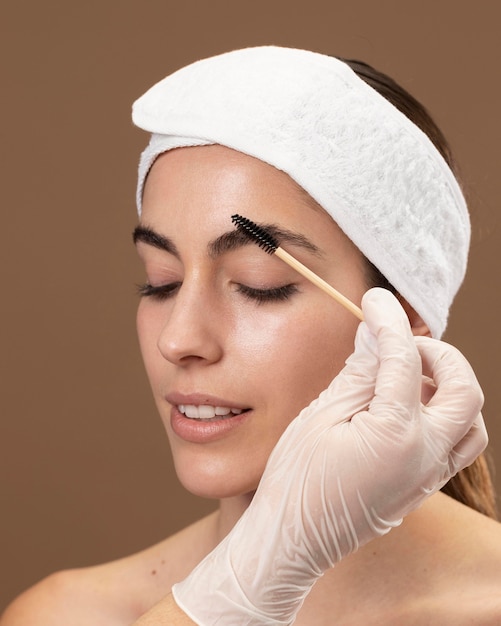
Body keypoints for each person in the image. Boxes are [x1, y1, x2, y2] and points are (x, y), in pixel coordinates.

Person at [2, 46, 500, 625]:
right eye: (160, 282)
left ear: (403, 321)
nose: (178, 339)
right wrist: (247, 589)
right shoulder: (70, 615)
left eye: (258, 285)